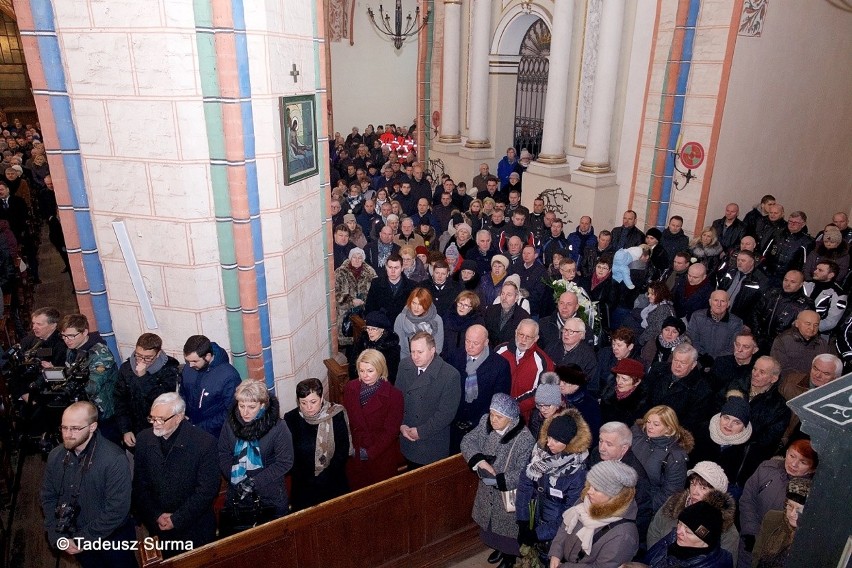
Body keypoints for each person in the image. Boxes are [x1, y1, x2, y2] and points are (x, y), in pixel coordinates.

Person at [41, 402, 137, 568]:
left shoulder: (114, 459)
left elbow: (117, 510)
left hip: (113, 541)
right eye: (64, 428)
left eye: (75, 428)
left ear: (92, 427)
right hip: (77, 537)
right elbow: (48, 496)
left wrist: (82, 540)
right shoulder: (55, 456)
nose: (68, 434)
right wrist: (56, 534)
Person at [133, 393, 220, 556]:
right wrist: (156, 515)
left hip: (194, 528)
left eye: (161, 419)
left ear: (179, 417)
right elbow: (139, 485)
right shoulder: (144, 439)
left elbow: (206, 491)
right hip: (159, 527)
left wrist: (177, 519)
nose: (156, 424)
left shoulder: (205, 443)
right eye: (152, 418)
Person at [461, 394, 536, 568]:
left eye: (498, 417)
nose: (493, 419)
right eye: (492, 414)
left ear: (510, 419)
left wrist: (498, 480)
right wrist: (480, 461)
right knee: (490, 525)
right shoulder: (486, 422)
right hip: (487, 490)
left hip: (506, 492)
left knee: (507, 530)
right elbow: (467, 441)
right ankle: (499, 549)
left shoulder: (524, 439)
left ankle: (509, 557)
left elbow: (524, 473)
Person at [217, 380, 294, 535]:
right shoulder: (230, 423)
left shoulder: (277, 427)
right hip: (237, 493)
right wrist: (233, 476)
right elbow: (223, 453)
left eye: (251, 407)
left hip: (269, 493)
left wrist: (253, 483)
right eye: (241, 406)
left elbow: (285, 462)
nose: (245, 412)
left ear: (262, 405)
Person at [516, 410, 592, 561]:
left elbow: (570, 514)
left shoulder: (577, 472)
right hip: (533, 517)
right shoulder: (539, 453)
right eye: (549, 437)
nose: (549, 443)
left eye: (556, 441)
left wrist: (538, 534)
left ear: (569, 443)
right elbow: (525, 484)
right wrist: (523, 520)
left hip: (555, 532)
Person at [736, 439, 817, 568]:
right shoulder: (767, 468)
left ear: (812, 468)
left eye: (803, 462)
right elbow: (747, 500)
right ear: (786, 452)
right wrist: (751, 532)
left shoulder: (813, 492)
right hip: (750, 538)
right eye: (792, 456)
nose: (794, 464)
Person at [547, 460, 640, 568]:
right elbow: (565, 526)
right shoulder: (588, 500)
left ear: (615, 496)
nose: (589, 491)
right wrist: (555, 553)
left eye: (596, 489)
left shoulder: (624, 536)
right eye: (590, 485)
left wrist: (564, 567)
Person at [646, 461, 740, 562]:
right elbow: (654, 531)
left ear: (717, 495)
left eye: (703, 488)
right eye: (692, 484)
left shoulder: (726, 529)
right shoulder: (673, 504)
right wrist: (658, 560)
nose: (695, 492)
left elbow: (723, 562)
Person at [284, 378, 352, 510]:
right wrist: (308, 478)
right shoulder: (291, 419)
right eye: (303, 403)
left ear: (321, 399)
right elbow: (289, 454)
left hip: (333, 481)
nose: (308, 407)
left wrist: (325, 476)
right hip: (303, 486)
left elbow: (342, 451)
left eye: (313, 402)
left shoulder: (336, 414)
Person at [396, 332, 461, 467]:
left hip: (430, 443)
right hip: (407, 436)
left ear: (432, 350)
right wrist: (401, 425)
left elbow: (445, 414)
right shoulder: (404, 365)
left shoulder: (450, 375)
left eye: (420, 352)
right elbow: (397, 399)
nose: (415, 356)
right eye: (412, 351)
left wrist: (420, 432)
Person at [342, 349, 404, 489]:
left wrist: (370, 452)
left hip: (380, 456)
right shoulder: (350, 388)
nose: (365, 375)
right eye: (362, 370)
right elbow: (346, 421)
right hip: (355, 454)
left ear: (380, 369)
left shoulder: (394, 395)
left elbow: (391, 431)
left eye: (370, 371)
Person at [56, 314, 121, 443]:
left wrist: (72, 380)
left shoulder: (101, 354)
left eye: (71, 336)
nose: (67, 340)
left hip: (104, 412)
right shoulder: (72, 350)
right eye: (63, 336)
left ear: (85, 332)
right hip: (82, 409)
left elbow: (93, 386)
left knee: (110, 448)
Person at [448, 324, 511, 453]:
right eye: (467, 341)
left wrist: (481, 423)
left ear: (486, 342)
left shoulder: (499, 365)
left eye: (475, 343)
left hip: (481, 427)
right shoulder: (455, 357)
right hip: (454, 425)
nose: (470, 346)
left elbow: (499, 401)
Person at [114, 332, 181, 449]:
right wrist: (125, 429)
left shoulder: (170, 369)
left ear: (158, 353)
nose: (142, 361)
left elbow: (163, 400)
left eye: (148, 357)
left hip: (159, 428)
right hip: (135, 429)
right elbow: (120, 400)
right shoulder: (126, 369)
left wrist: (143, 378)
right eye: (138, 355)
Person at [631, 405, 694, 510]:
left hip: (646, 507)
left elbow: (671, 493)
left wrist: (645, 507)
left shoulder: (675, 457)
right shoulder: (637, 435)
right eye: (648, 422)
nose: (649, 427)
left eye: (656, 424)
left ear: (668, 428)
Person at [643, 343, 714, 435]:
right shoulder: (658, 370)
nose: (677, 365)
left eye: (683, 363)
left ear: (693, 365)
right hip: (646, 422)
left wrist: (665, 430)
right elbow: (644, 397)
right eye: (675, 360)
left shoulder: (702, 390)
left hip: (672, 433)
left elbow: (690, 423)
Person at [179, 334, 242, 438]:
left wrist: (200, 427)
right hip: (190, 427)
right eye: (188, 361)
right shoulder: (189, 368)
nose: (190, 365)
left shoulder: (229, 376)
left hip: (215, 434)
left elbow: (231, 412)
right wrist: (181, 412)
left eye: (194, 361)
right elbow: (183, 393)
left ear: (207, 356)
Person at [690, 396, 754, 498]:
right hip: (692, 488)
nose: (729, 425)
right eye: (726, 418)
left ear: (744, 426)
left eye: (737, 422)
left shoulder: (749, 449)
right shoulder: (700, 431)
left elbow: (740, 484)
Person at [495, 319, 554, 421]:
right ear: (515, 333)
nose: (523, 340)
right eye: (521, 334)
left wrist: (513, 407)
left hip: (521, 415)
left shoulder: (543, 362)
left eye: (528, 337)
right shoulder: (500, 350)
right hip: (494, 410)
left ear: (536, 338)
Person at [643, 501, 732, 568]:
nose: (678, 531)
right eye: (679, 524)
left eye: (688, 532)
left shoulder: (715, 564)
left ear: (705, 539)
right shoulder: (672, 538)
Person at [752, 478, 812, 568]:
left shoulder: (812, 537)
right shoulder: (772, 518)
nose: (792, 514)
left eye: (799, 510)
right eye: (790, 506)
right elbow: (757, 555)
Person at [686, 290, 744, 364]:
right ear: (710, 302)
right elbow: (691, 339)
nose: (719, 304)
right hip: (698, 360)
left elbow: (734, 346)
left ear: (728, 304)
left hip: (722, 363)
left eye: (722, 301)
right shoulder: (697, 316)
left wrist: (714, 358)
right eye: (716, 300)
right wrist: (703, 356)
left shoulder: (736, 323)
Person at [334, 247, 377, 348]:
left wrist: (365, 301)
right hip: (344, 314)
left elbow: (375, 292)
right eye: (354, 257)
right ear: (350, 258)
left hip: (363, 313)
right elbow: (335, 293)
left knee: (362, 342)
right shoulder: (340, 272)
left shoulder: (370, 273)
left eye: (360, 258)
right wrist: (351, 301)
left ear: (363, 259)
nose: (357, 260)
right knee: (347, 343)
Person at [348, 310, 401, 382]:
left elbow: (390, 375)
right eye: (368, 328)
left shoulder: (391, 347)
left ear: (382, 329)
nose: (370, 332)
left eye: (373, 329)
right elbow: (353, 364)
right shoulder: (362, 340)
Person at [394, 287, 444, 358]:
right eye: (414, 303)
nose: (416, 308)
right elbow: (400, 346)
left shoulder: (436, 319)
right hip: (407, 359)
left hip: (429, 360)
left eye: (420, 304)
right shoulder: (401, 318)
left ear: (427, 305)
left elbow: (437, 348)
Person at [545, 317, 598, 381]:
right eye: (565, 329)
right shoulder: (552, 347)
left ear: (581, 335)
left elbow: (590, 383)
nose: (566, 334)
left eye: (571, 331)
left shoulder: (588, 356)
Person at [599, 358, 648, 427]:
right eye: (618, 377)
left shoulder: (641, 404)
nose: (619, 382)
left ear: (637, 382)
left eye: (624, 379)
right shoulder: (608, 392)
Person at [484, 279, 530, 347]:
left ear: (516, 297)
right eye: (503, 293)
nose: (504, 298)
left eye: (509, 295)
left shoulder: (523, 317)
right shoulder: (491, 310)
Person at [442, 290, 485, 361]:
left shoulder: (477, 322)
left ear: (471, 308)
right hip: (446, 358)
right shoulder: (447, 316)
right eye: (460, 303)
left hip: (467, 360)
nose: (461, 307)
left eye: (466, 305)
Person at [637, 281, 677, 347]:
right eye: (649, 293)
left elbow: (656, 331)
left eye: (652, 294)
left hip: (652, 342)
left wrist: (641, 340)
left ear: (660, 294)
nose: (648, 296)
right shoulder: (659, 304)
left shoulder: (662, 310)